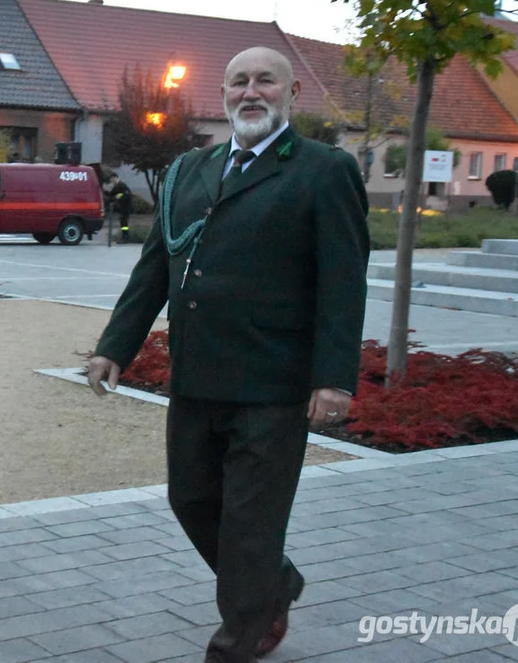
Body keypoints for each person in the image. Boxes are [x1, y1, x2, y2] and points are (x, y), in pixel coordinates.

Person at [87, 47, 369, 663]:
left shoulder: (322, 170)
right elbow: (156, 265)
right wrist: (115, 347)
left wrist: (333, 378)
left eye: (265, 80)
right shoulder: (193, 168)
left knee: (248, 522)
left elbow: (343, 281)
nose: (251, 92)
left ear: (291, 93)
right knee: (190, 500)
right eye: (238, 82)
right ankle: (276, 582)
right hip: (198, 375)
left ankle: (238, 635)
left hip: (275, 381)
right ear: (223, 96)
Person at [104, 173, 133, 243]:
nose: (111, 181)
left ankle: (126, 237)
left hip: (126, 207)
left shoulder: (122, 185)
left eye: (112, 179)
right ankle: (124, 237)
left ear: (115, 177)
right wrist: (104, 191)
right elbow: (111, 195)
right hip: (122, 207)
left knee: (124, 222)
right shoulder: (116, 186)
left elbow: (127, 194)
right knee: (122, 222)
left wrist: (119, 197)